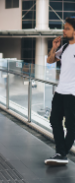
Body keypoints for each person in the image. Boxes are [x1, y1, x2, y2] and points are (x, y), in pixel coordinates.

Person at [45, 17, 75, 166]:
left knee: (71, 125)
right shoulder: (64, 47)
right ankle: (61, 153)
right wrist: (54, 47)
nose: (64, 31)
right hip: (60, 91)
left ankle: (61, 153)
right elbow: (50, 60)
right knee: (54, 120)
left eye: (67, 28)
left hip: (73, 93)